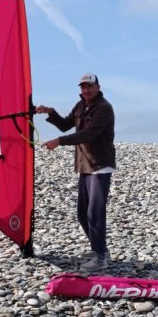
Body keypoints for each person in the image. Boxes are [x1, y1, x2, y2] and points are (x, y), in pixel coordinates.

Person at [35, 73, 115, 272]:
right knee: (82, 214)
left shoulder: (104, 108)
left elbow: (88, 134)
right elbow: (65, 125)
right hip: (85, 166)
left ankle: (100, 257)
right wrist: (51, 112)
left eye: (89, 86)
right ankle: (100, 250)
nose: (86, 90)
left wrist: (59, 142)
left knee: (95, 212)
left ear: (97, 87)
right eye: (83, 87)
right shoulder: (80, 106)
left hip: (100, 166)